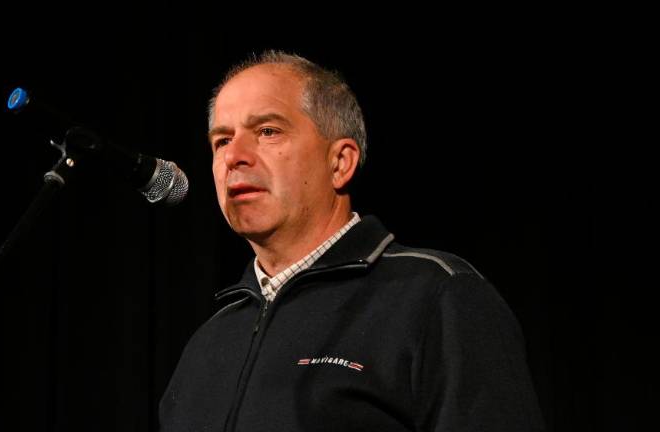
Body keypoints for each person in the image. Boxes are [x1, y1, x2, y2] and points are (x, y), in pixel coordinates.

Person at [158, 50, 545, 432]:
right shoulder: (209, 342)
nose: (234, 157)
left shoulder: (436, 297)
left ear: (340, 162)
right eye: (222, 141)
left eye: (268, 131)